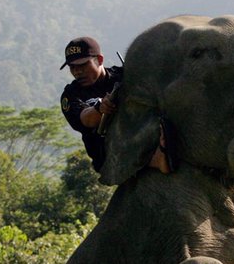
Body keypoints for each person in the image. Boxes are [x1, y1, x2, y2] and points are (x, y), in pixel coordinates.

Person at [59, 36, 170, 174]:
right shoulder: (71, 94)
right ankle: (154, 160)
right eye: (72, 67)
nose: (77, 72)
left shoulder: (124, 75)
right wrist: (100, 109)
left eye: (82, 65)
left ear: (99, 60)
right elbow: (86, 119)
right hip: (109, 155)